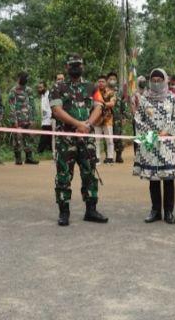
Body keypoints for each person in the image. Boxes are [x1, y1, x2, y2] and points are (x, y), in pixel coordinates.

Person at [49, 53, 109, 226]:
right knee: (63, 175)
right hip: (65, 138)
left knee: (89, 173)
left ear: (83, 66)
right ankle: (64, 212)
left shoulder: (91, 87)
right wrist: (78, 124)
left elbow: (99, 106)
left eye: (78, 65)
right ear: (67, 67)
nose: (76, 68)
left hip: (86, 138)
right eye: (72, 65)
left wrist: (88, 124)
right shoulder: (58, 87)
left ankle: (91, 210)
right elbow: (56, 110)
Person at [134, 68, 175, 224]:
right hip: (150, 141)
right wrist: (150, 133)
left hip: (168, 143)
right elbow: (138, 119)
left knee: (168, 178)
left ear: (165, 81)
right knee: (153, 178)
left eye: (159, 80)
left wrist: (166, 132)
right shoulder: (144, 99)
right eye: (153, 81)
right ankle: (155, 211)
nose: (156, 83)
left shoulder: (173, 98)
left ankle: (169, 212)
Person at [8, 72, 38, 165]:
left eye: (26, 78)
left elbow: (32, 105)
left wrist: (33, 119)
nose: (25, 79)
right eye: (23, 77)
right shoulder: (13, 90)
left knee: (29, 138)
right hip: (18, 119)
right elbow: (11, 106)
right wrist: (14, 120)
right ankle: (18, 158)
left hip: (28, 119)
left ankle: (29, 157)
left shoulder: (29, 90)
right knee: (17, 138)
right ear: (18, 78)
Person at [94, 75, 116, 164]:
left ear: (106, 82)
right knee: (96, 140)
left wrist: (102, 104)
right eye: (99, 81)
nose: (101, 83)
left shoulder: (111, 92)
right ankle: (97, 157)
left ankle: (110, 158)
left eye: (102, 81)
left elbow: (112, 103)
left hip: (107, 118)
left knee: (109, 139)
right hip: (96, 118)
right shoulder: (95, 92)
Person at [107, 72, 127, 163]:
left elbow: (123, 104)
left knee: (118, 136)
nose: (112, 80)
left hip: (117, 117)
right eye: (110, 79)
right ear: (107, 80)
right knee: (108, 136)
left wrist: (124, 116)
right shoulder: (104, 91)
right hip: (107, 117)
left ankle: (119, 155)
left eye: (114, 79)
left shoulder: (119, 91)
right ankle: (109, 156)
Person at [37, 81, 53, 154]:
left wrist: (51, 117)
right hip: (44, 119)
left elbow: (51, 107)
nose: (39, 89)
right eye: (38, 88)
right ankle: (50, 149)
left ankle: (40, 151)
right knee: (48, 135)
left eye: (41, 87)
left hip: (49, 118)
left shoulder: (49, 95)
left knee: (44, 135)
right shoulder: (42, 96)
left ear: (45, 87)